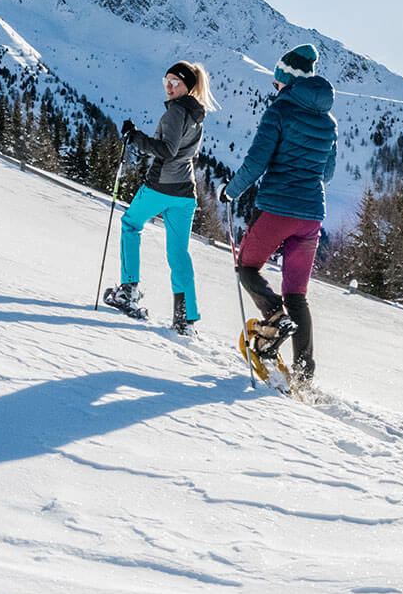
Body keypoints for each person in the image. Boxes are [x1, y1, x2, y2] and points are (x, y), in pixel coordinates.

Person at [220, 43, 338, 381]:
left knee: (247, 266)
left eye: (277, 82)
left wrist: (230, 192)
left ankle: (273, 317)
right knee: (297, 294)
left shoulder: (279, 111)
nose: (274, 88)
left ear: (287, 80)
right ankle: (303, 373)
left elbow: (256, 161)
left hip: (277, 210)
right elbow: (326, 175)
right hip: (312, 216)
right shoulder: (328, 122)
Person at [105, 61, 215, 334]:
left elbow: (167, 150)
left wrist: (135, 137)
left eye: (175, 82)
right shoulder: (197, 115)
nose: (169, 86)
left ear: (188, 86)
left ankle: (128, 291)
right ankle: (185, 318)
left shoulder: (177, 111)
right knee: (178, 253)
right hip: (185, 193)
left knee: (131, 224)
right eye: (166, 80)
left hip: (160, 187)